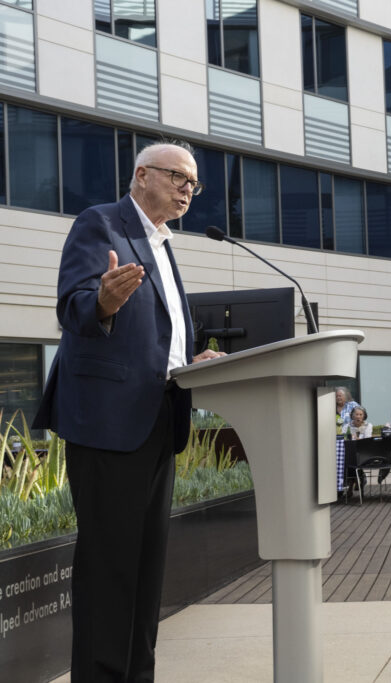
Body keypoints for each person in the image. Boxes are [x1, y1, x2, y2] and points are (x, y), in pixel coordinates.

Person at [31, 141, 225, 681]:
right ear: (142, 176)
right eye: (179, 178)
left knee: (144, 572)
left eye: (194, 184)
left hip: (160, 421)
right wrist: (102, 303)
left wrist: (193, 361)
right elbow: (73, 306)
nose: (188, 190)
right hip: (108, 424)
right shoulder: (101, 225)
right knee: (109, 570)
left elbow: (156, 339)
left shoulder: (163, 244)